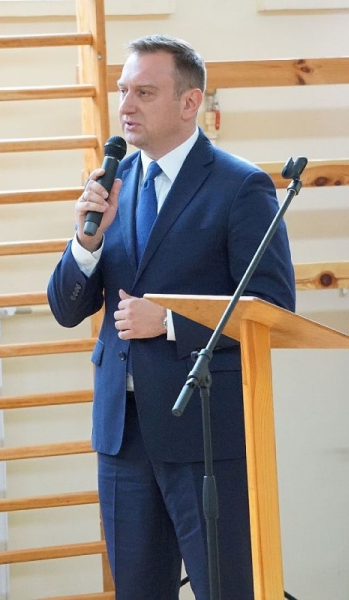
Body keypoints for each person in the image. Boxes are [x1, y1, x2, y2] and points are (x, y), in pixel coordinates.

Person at [47, 34, 296, 599]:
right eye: (123, 91)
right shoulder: (112, 186)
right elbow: (66, 308)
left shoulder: (241, 186)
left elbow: (273, 306)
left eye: (144, 92)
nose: (126, 106)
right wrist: (86, 242)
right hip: (123, 434)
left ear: (190, 102)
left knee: (226, 589)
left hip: (203, 434)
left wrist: (173, 322)